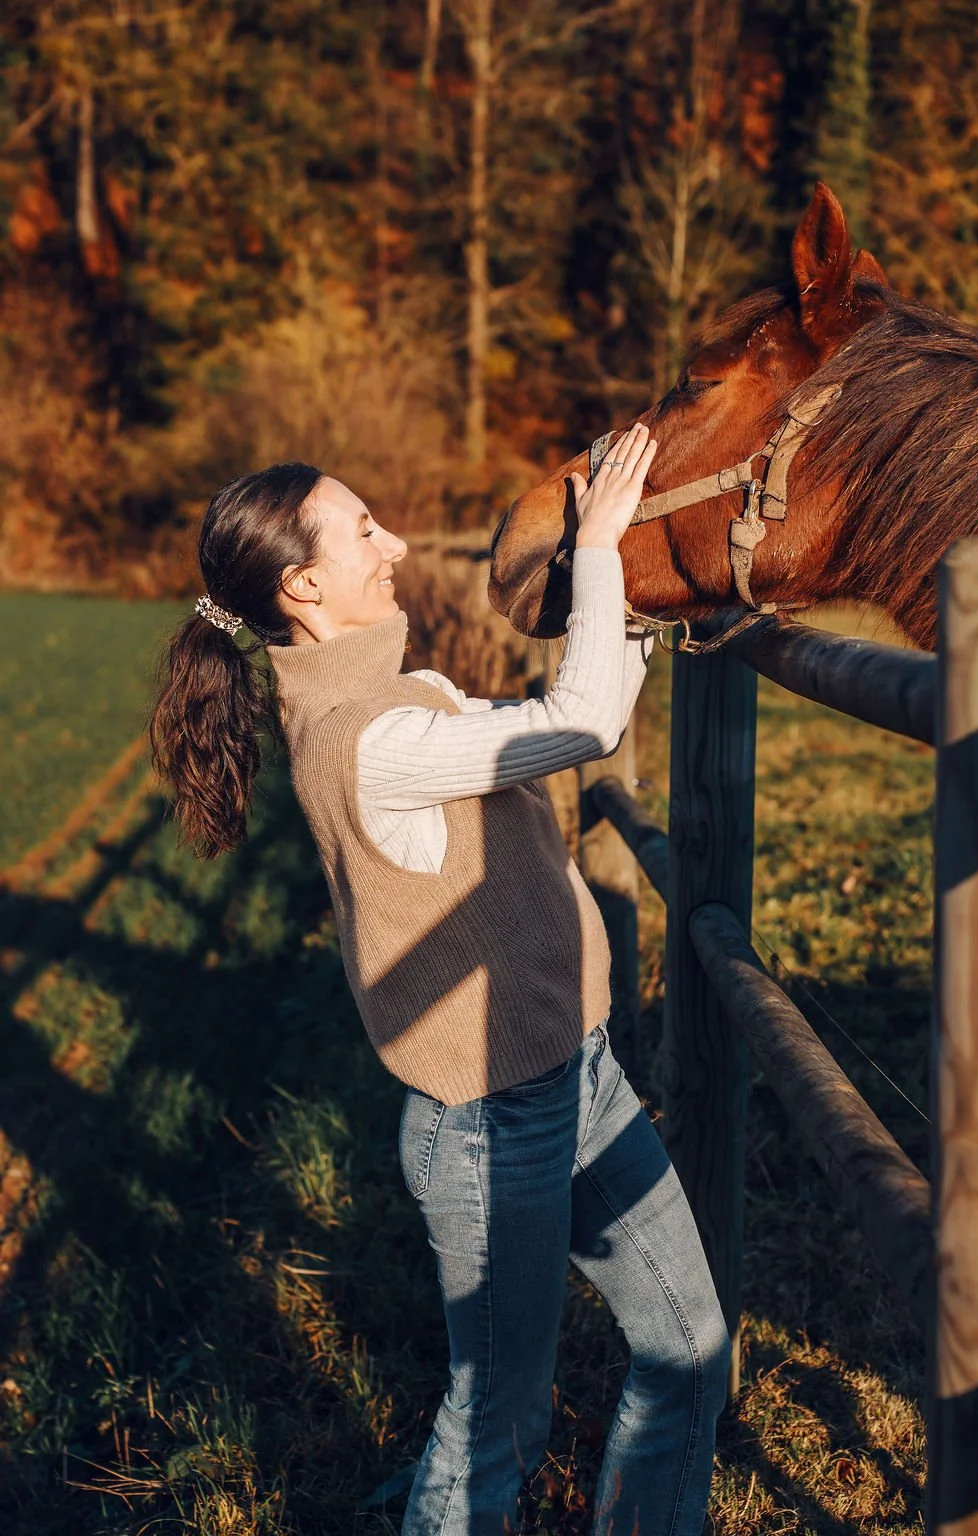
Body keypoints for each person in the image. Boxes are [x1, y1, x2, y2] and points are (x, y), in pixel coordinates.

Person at [149, 422, 730, 1535]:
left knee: (689, 1347)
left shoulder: (408, 699)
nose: (400, 544)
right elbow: (585, 721)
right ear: (306, 584)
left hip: (582, 1080)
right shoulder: (363, 739)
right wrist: (600, 544)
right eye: (366, 529)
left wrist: (644, 586)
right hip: (492, 1125)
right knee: (496, 1427)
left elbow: (554, 721)